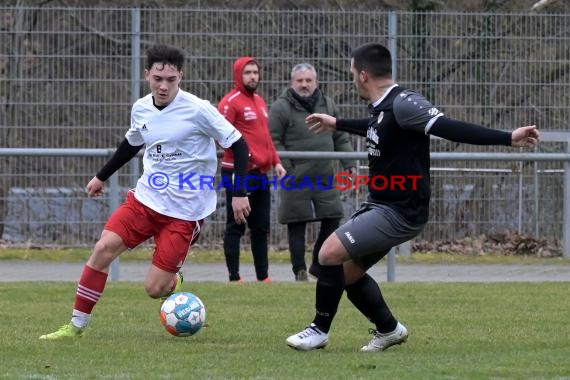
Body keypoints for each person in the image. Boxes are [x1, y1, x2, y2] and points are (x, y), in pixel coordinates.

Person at [286, 42, 539, 352]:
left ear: (363, 75)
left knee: (328, 254)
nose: (353, 78)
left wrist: (508, 137)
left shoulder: (405, 103)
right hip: (381, 204)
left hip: (400, 211)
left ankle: (319, 331)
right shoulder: (382, 107)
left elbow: (449, 127)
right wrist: (337, 123)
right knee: (346, 273)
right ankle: (389, 329)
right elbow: (376, 127)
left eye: (353, 73)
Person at [40, 44, 251, 340]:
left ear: (181, 76)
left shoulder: (199, 109)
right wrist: (101, 177)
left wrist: (239, 192)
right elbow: (132, 143)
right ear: (147, 75)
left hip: (185, 213)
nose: (163, 86)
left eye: (171, 80)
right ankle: (75, 326)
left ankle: (173, 282)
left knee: (154, 290)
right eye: (158, 79)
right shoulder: (141, 108)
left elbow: (239, 145)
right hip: (145, 200)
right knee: (102, 249)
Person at [269, 63, 356, 282]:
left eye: (308, 80)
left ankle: (318, 264)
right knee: (296, 222)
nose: (304, 85)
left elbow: (340, 136)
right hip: (294, 176)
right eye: (300, 81)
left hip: (324, 175)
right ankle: (299, 269)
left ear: (316, 82)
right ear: (292, 83)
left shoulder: (327, 104)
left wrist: (349, 163)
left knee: (333, 216)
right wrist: (287, 168)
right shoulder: (281, 107)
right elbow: (273, 140)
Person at [218, 56, 286, 283]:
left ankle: (263, 277)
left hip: (260, 174)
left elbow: (265, 138)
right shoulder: (230, 102)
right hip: (237, 172)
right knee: (235, 225)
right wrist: (244, 157)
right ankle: (234, 277)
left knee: (261, 227)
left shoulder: (259, 101)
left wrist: (275, 161)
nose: (253, 76)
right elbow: (221, 137)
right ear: (239, 75)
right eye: (247, 72)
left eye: (255, 72)